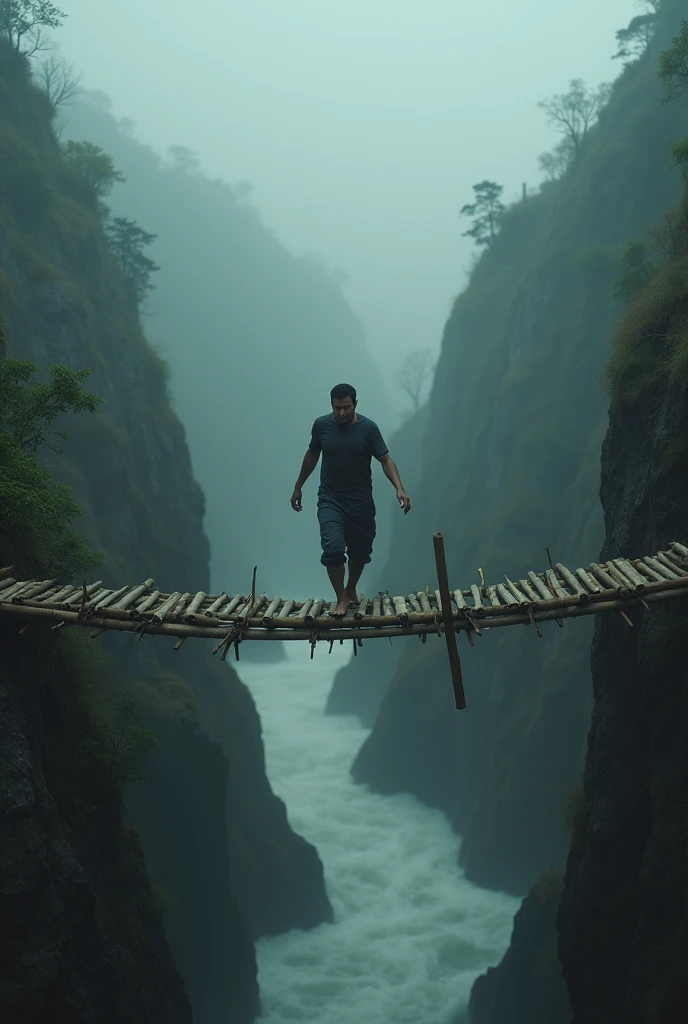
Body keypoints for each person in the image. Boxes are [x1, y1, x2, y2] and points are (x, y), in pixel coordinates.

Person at [290, 383, 411, 617]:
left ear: (355, 404)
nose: (341, 413)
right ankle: (341, 598)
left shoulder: (369, 429)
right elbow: (312, 455)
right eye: (337, 408)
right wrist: (298, 487)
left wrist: (399, 488)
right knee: (332, 549)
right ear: (331, 405)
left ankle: (351, 587)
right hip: (330, 499)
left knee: (360, 551)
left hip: (361, 501)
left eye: (346, 407)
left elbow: (385, 460)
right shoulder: (321, 426)